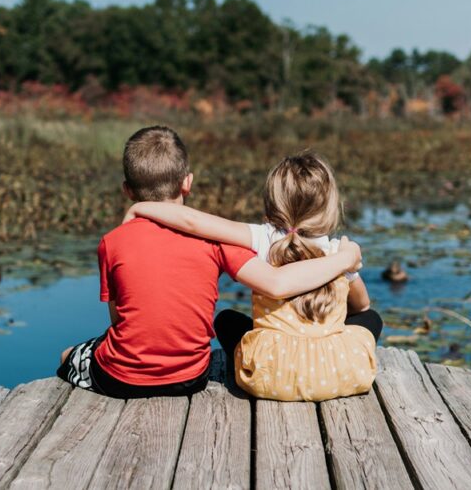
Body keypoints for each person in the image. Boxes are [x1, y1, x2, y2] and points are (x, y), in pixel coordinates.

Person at [57, 126, 362, 398]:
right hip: (191, 377)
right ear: (187, 183)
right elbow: (281, 283)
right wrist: (345, 260)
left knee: (68, 355)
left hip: (123, 379)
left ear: (127, 190)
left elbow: (118, 319)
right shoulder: (216, 242)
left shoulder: (112, 241)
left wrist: (137, 211)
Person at [125, 151, 381, 401]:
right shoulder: (340, 252)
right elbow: (362, 306)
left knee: (226, 320)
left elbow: (193, 222)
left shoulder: (262, 237)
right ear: (330, 208)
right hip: (336, 373)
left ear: (273, 203)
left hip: (268, 375)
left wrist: (142, 207)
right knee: (371, 318)